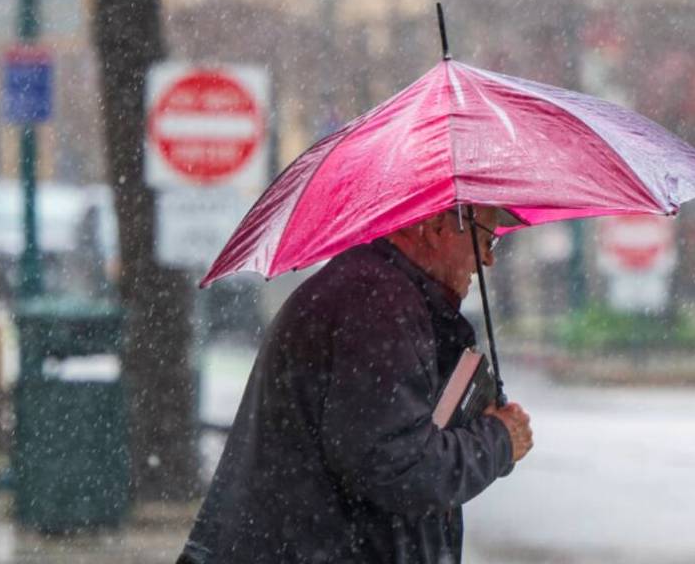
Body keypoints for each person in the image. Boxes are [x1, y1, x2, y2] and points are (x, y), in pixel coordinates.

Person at [178, 205, 533, 564]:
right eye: (484, 239)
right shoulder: (376, 303)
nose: (488, 259)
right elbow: (401, 468)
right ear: (435, 225)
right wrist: (497, 440)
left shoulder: (380, 292)